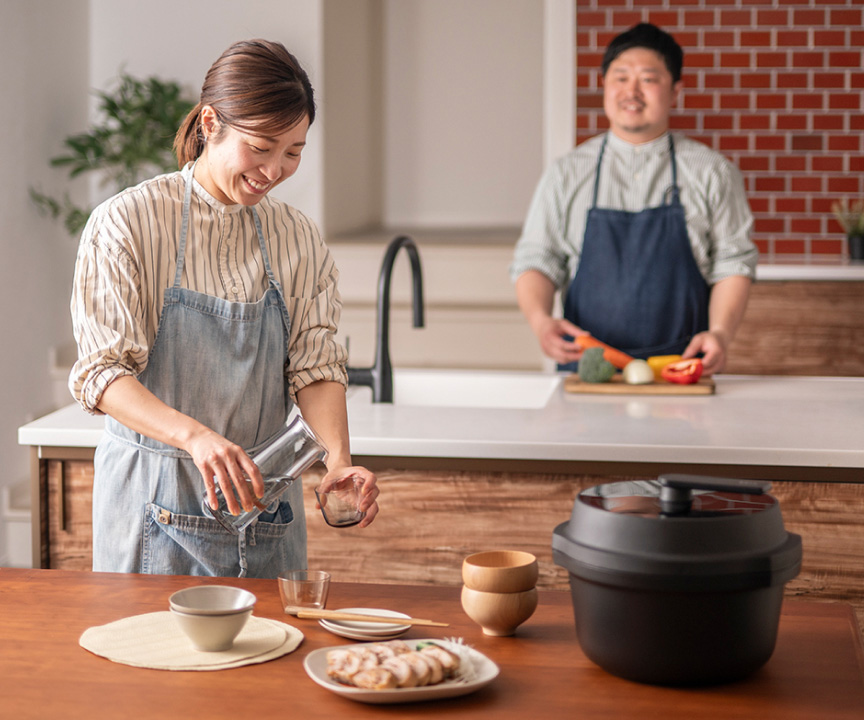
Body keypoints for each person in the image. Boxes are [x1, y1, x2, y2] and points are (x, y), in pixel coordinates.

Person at [69, 39, 379, 578]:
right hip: (152, 505)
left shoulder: (296, 236)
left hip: (264, 511)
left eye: (294, 151)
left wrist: (338, 462)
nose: (276, 169)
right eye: (261, 146)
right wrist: (196, 437)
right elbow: (102, 373)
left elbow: (316, 365)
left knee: (276, 658)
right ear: (211, 123)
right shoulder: (127, 223)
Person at [511, 23, 757, 375]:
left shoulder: (712, 172)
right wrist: (540, 321)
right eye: (621, 77)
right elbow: (536, 258)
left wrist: (720, 333)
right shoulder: (566, 173)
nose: (632, 91)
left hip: (681, 369)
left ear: (675, 92)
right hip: (588, 371)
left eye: (648, 79)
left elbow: (734, 263)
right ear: (604, 87)